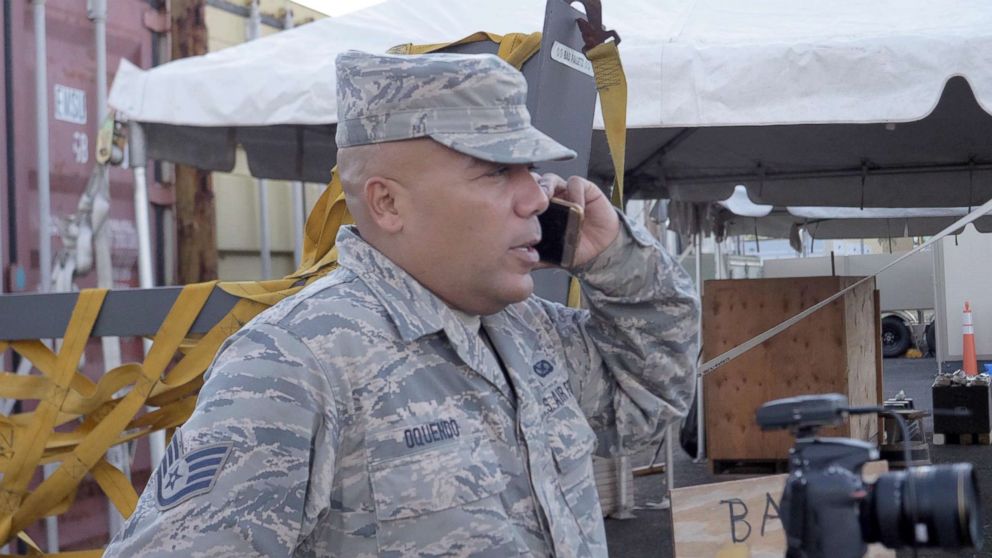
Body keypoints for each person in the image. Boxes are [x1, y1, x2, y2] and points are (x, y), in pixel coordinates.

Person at [105, 49, 699, 558]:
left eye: (529, 170)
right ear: (387, 204)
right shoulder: (294, 363)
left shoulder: (523, 330)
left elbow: (646, 402)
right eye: (495, 172)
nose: (534, 197)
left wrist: (615, 256)